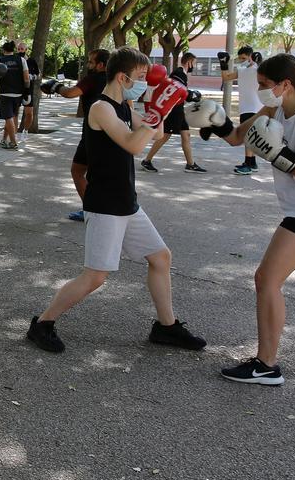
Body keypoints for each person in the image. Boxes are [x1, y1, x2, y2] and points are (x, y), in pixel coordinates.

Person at [187, 54, 295, 386]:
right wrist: (215, 119)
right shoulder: (278, 107)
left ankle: (267, 364)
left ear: (286, 84)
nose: (261, 92)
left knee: (266, 279)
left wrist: (277, 154)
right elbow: (239, 137)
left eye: (266, 86)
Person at [27, 47, 206, 353]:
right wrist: (156, 111)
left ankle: (166, 327)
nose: (143, 82)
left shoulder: (126, 106)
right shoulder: (102, 108)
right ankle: (42, 323)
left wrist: (161, 100)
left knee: (161, 258)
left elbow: (157, 131)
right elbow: (133, 144)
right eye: (139, 77)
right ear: (123, 77)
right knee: (96, 277)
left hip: (127, 202)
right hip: (106, 204)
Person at [41, 48, 109, 221]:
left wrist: (56, 86)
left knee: (78, 171)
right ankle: (100, 209)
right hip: (113, 133)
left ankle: (92, 210)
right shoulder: (116, 80)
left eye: (91, 62)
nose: (88, 65)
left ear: (100, 65)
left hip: (92, 134)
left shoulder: (92, 79)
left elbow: (70, 93)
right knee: (102, 173)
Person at [140, 53, 207, 173]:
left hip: (179, 109)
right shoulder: (179, 73)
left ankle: (190, 164)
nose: (194, 66)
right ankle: (147, 160)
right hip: (174, 110)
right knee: (165, 135)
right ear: (189, 62)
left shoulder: (182, 74)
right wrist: (192, 95)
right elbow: (175, 90)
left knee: (186, 135)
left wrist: (190, 95)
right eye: (194, 63)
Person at [219, 45, 263, 174]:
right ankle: (252, 162)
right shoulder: (242, 70)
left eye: (244, 58)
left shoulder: (259, 70)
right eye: (240, 58)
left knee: (248, 136)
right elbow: (226, 77)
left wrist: (259, 62)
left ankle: (248, 164)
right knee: (251, 136)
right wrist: (223, 64)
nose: (242, 60)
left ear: (251, 56)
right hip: (246, 107)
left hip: (254, 107)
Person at [0, 41, 29, 149]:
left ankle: (14, 142)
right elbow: (27, 78)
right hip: (18, 93)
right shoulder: (21, 60)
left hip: (5, 93)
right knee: (11, 117)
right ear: (13, 50)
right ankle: (4, 140)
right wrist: (27, 92)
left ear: (3, 50)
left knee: (8, 117)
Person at [16, 41, 40, 133]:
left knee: (29, 114)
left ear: (26, 50)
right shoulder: (15, 60)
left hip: (28, 91)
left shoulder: (32, 61)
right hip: (16, 90)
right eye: (18, 49)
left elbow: (38, 74)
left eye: (22, 49)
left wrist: (31, 76)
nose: (20, 51)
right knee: (14, 114)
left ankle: (25, 131)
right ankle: (13, 133)